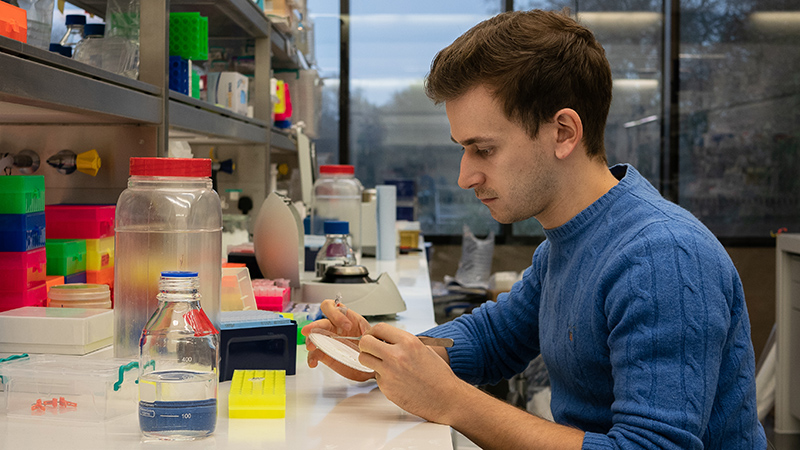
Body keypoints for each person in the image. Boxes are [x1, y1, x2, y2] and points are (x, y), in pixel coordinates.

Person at [302, 9, 767, 450]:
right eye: (463, 149)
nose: (465, 177)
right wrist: (383, 354)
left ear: (564, 132)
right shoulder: (568, 243)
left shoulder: (661, 257)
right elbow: (493, 340)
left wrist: (450, 400)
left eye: (483, 149)